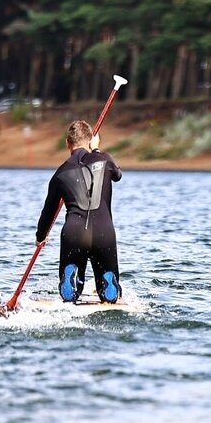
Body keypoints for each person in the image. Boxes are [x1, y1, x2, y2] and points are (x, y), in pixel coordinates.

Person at [36, 120, 123, 303]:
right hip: (103, 231)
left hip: (73, 233)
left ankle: (71, 284)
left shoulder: (60, 174)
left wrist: (40, 236)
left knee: (71, 289)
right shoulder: (104, 160)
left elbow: (48, 212)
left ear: (68, 144)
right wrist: (97, 150)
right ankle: (107, 285)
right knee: (107, 284)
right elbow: (118, 175)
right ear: (91, 141)